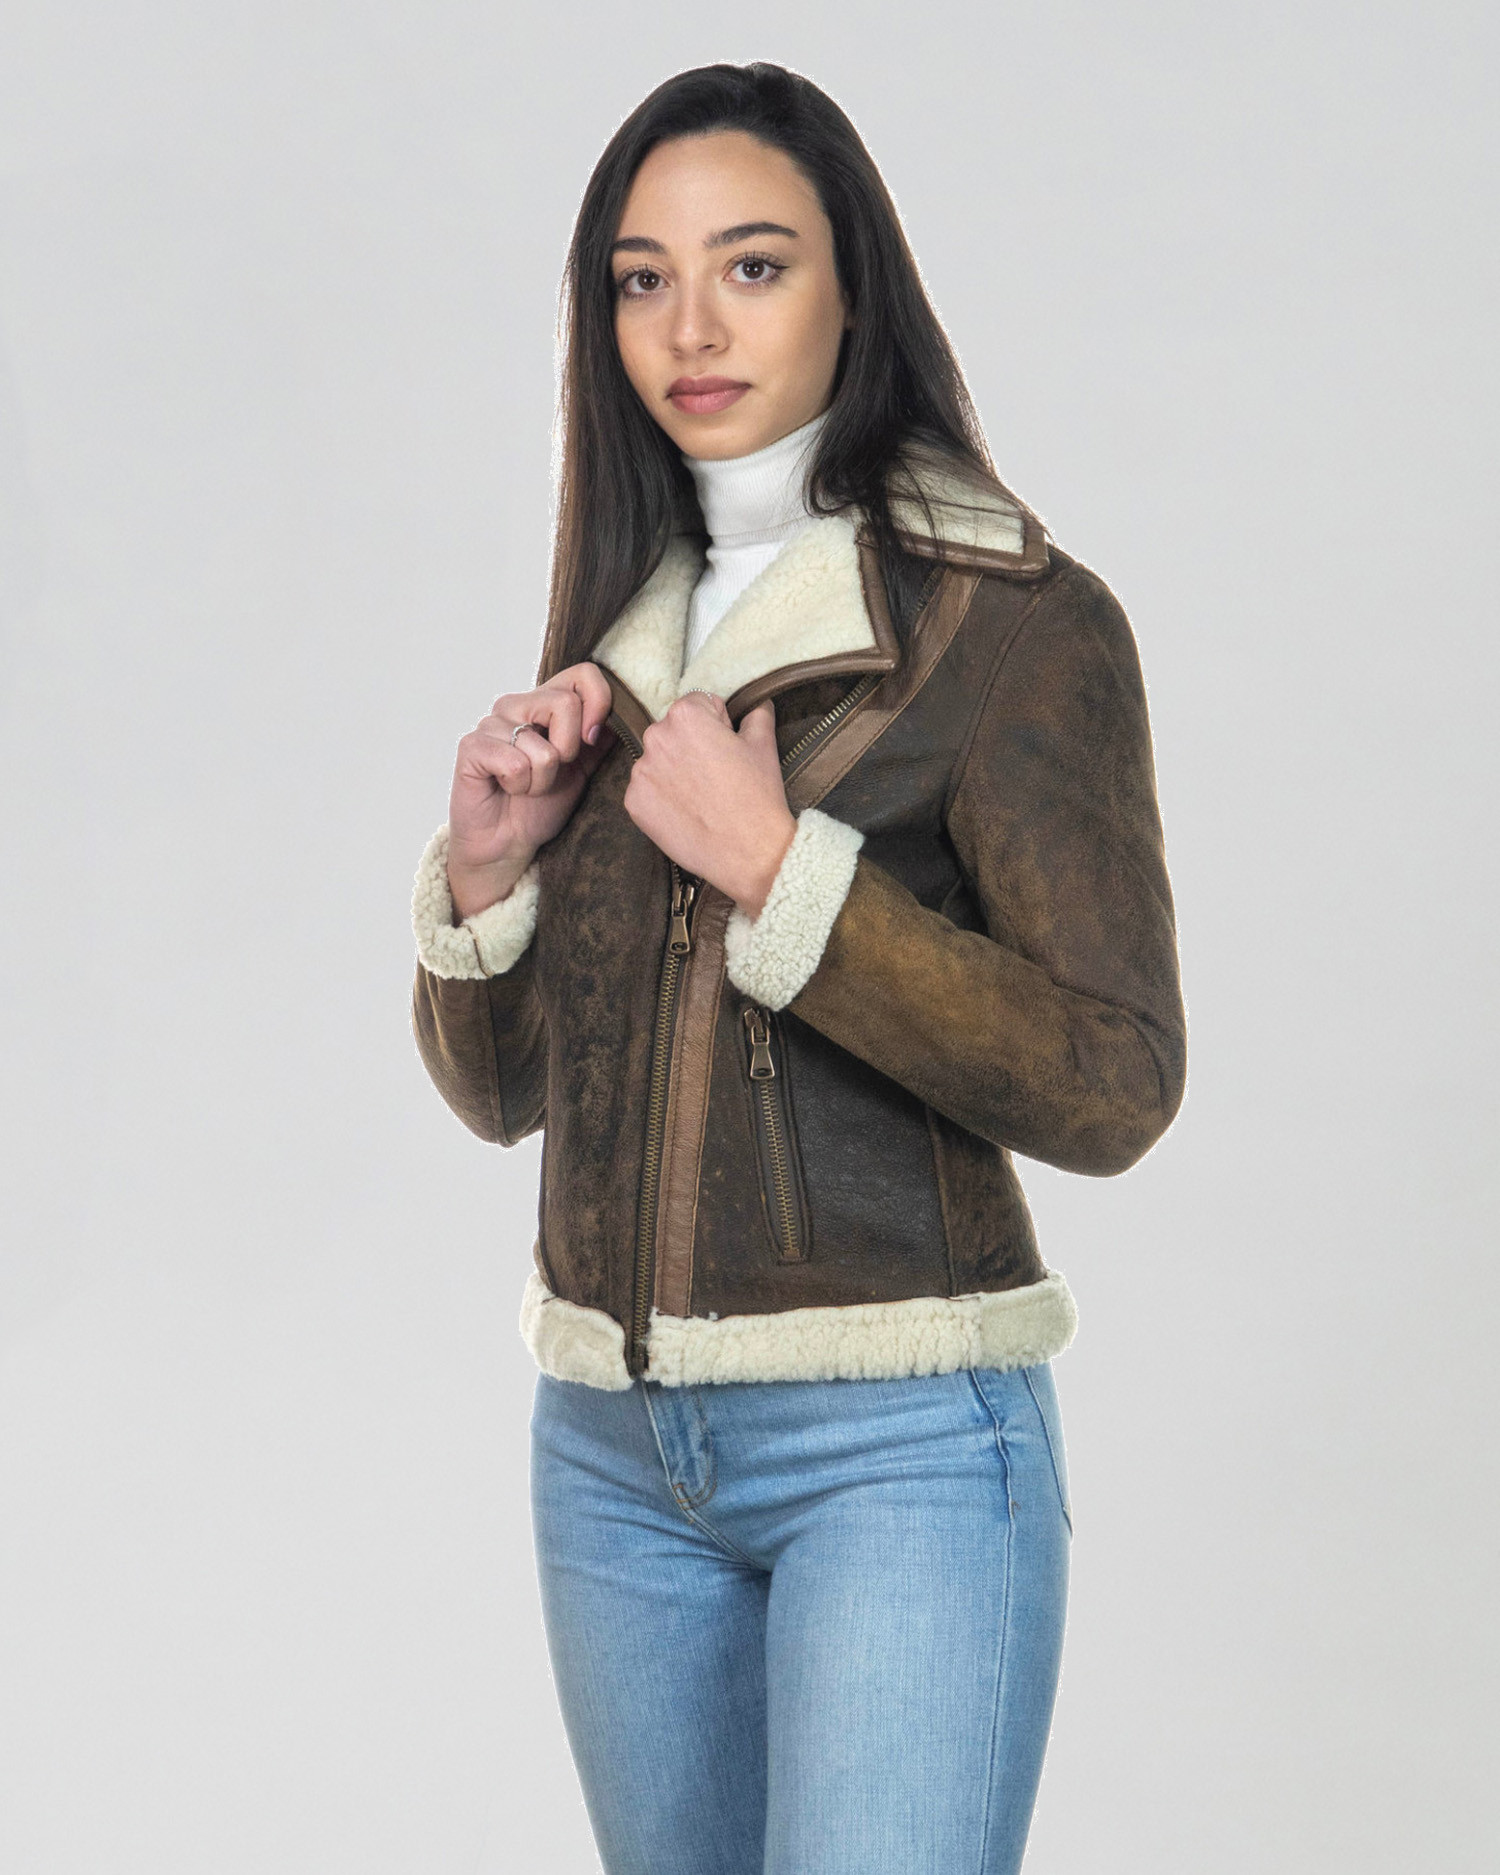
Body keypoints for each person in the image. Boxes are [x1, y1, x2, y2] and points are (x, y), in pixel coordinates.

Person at [409, 60, 1186, 1875]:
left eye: (752, 266)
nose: (691, 326)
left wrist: (783, 875)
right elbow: (509, 1098)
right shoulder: (626, 637)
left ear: (855, 289)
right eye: (643, 278)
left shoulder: (1011, 626)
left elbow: (1118, 1081)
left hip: (897, 1450)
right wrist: (491, 868)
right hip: (611, 1461)